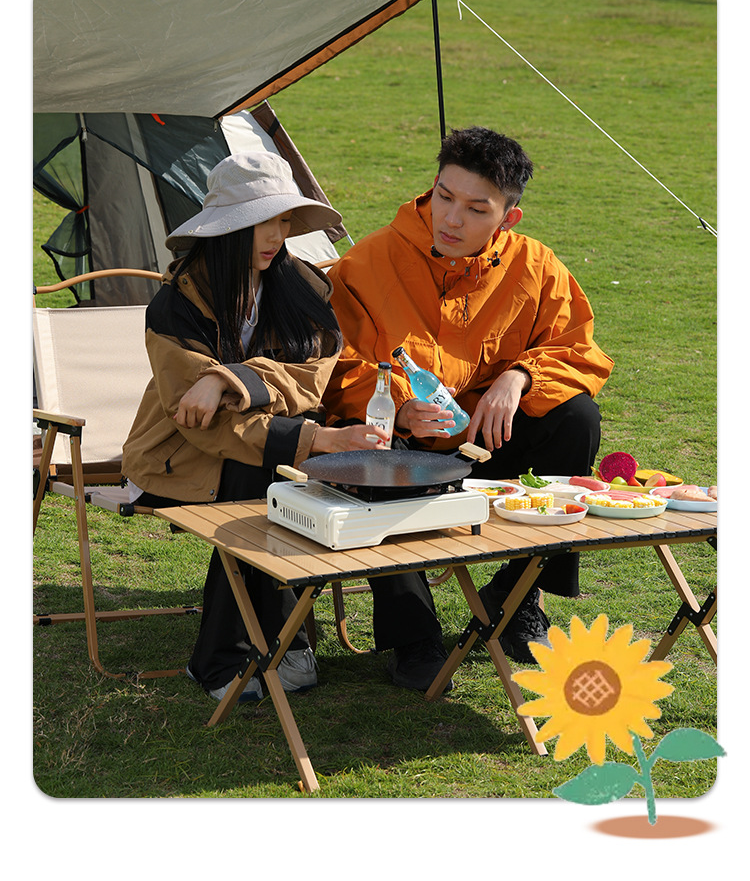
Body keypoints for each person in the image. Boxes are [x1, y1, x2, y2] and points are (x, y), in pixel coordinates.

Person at [323, 126, 614, 688]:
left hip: (487, 443)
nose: (451, 219)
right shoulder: (367, 262)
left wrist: (520, 375)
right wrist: (397, 409)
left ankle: (516, 597)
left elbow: (578, 348)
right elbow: (332, 367)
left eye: (477, 209)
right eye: (444, 196)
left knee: (576, 417)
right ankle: (413, 635)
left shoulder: (536, 265)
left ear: (508, 218)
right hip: (403, 450)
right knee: (374, 444)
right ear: (432, 188)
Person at [122, 151, 387, 704]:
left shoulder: (304, 287)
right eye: (260, 222)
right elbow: (201, 424)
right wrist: (313, 438)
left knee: (276, 478)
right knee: (261, 479)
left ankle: (276, 645)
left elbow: (312, 380)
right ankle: (233, 657)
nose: (276, 236)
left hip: (274, 445)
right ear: (225, 228)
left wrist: (229, 378)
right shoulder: (175, 304)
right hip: (179, 455)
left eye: (284, 220)